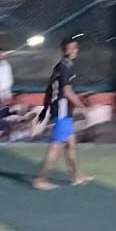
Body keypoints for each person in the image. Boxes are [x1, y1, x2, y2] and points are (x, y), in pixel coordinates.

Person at [32, 37, 92, 190]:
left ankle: (77, 176)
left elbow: (50, 90)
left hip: (61, 109)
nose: (76, 50)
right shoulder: (65, 67)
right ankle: (41, 179)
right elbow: (67, 92)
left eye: (76, 47)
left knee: (71, 143)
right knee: (57, 145)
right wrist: (82, 106)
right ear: (67, 50)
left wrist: (45, 109)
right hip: (62, 109)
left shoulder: (60, 67)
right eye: (73, 48)